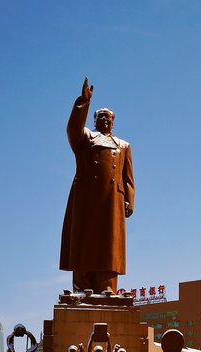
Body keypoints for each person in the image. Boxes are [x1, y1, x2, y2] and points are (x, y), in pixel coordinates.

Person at [60, 77, 135, 293]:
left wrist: (129, 199)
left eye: (108, 117)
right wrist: (83, 103)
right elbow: (72, 128)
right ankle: (81, 286)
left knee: (110, 244)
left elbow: (128, 176)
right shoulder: (85, 139)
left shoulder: (123, 145)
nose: (104, 120)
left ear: (113, 121)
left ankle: (107, 286)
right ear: (94, 120)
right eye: (100, 117)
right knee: (84, 241)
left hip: (113, 198)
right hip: (86, 197)